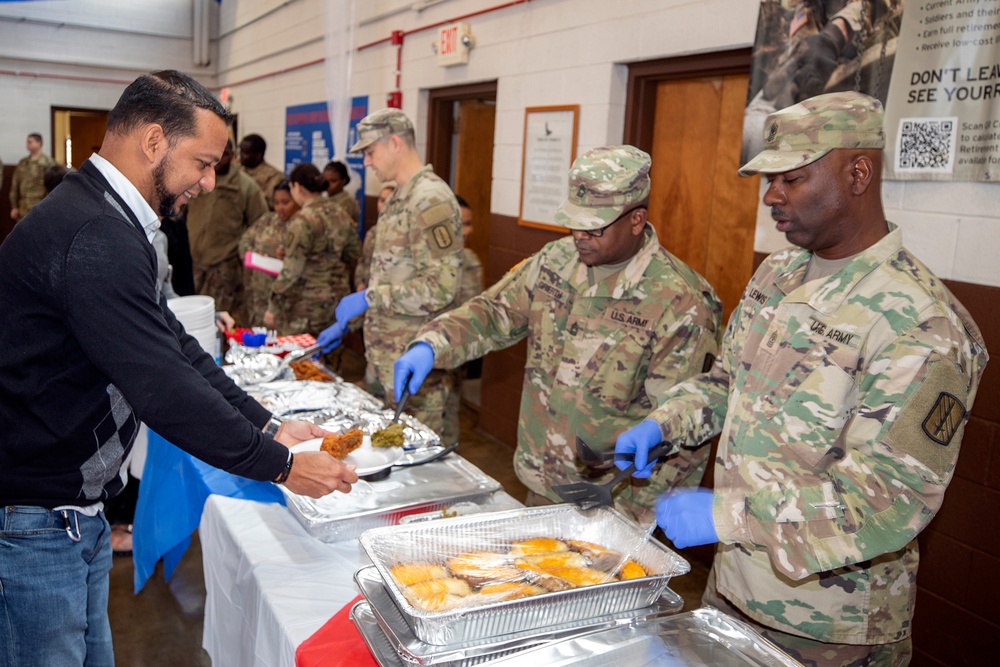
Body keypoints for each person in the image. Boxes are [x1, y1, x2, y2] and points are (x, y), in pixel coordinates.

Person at [616, 91, 988, 666]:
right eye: (771, 180)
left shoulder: (922, 323)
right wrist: (662, 422)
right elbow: (725, 383)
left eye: (792, 178)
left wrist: (724, 515)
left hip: (831, 627)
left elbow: (890, 497)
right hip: (735, 589)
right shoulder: (779, 275)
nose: (771, 196)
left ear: (858, 172)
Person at [0, 70, 358, 666]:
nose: (209, 181)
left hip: (70, 517)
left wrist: (269, 426)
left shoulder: (109, 218)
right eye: (204, 161)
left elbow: (176, 346)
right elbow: (162, 389)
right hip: (35, 522)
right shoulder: (95, 233)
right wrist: (282, 467)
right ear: (154, 141)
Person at [394, 146, 723, 516]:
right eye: (574, 221)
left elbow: (683, 417)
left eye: (594, 226)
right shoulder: (557, 260)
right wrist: (431, 343)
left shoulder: (680, 301)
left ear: (636, 220)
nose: (580, 235)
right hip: (541, 480)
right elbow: (492, 312)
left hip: (613, 504)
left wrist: (642, 517)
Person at [317, 108, 464, 444]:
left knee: (416, 464)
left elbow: (440, 287)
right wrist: (351, 322)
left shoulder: (430, 200)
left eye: (370, 152)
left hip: (415, 370)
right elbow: (393, 276)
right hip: (383, 358)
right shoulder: (399, 197)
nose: (366, 162)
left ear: (395, 143)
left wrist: (368, 298)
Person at [264, 163, 360, 335]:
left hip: (306, 305)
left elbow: (291, 271)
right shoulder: (341, 213)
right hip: (337, 300)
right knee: (329, 352)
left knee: (303, 357)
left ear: (297, 187)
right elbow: (352, 254)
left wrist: (273, 305)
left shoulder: (302, 220)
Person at [187, 138, 268, 325]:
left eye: (223, 155)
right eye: (214, 156)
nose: (218, 160)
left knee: (223, 319)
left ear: (232, 155)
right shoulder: (196, 179)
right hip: (196, 261)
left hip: (226, 266)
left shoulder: (245, 186)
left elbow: (260, 224)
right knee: (198, 317)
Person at [239, 179, 300, 327]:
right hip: (258, 292)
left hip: (285, 297)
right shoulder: (267, 220)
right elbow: (244, 242)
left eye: (285, 202)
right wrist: (255, 254)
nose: (280, 208)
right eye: (276, 202)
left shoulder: (301, 225)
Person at [354, 182, 395, 292]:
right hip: (366, 290)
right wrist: (359, 283)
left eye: (388, 201)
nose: (383, 205)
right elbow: (362, 260)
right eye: (381, 200)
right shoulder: (372, 232)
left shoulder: (399, 235)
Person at [8, 132, 56, 222]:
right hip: (23, 207)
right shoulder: (23, 163)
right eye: (27, 142)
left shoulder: (49, 163)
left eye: (30, 142)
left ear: (39, 143)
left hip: (40, 206)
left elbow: (52, 187)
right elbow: (15, 185)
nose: (27, 145)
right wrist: (14, 206)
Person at [239, 133, 286, 210]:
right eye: (241, 151)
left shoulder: (274, 176)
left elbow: (271, 203)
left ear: (258, 155)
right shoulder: (238, 170)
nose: (241, 155)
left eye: (246, 153)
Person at [323, 159, 361, 225]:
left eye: (333, 181)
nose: (328, 185)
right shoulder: (325, 198)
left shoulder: (348, 203)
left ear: (343, 181)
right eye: (326, 181)